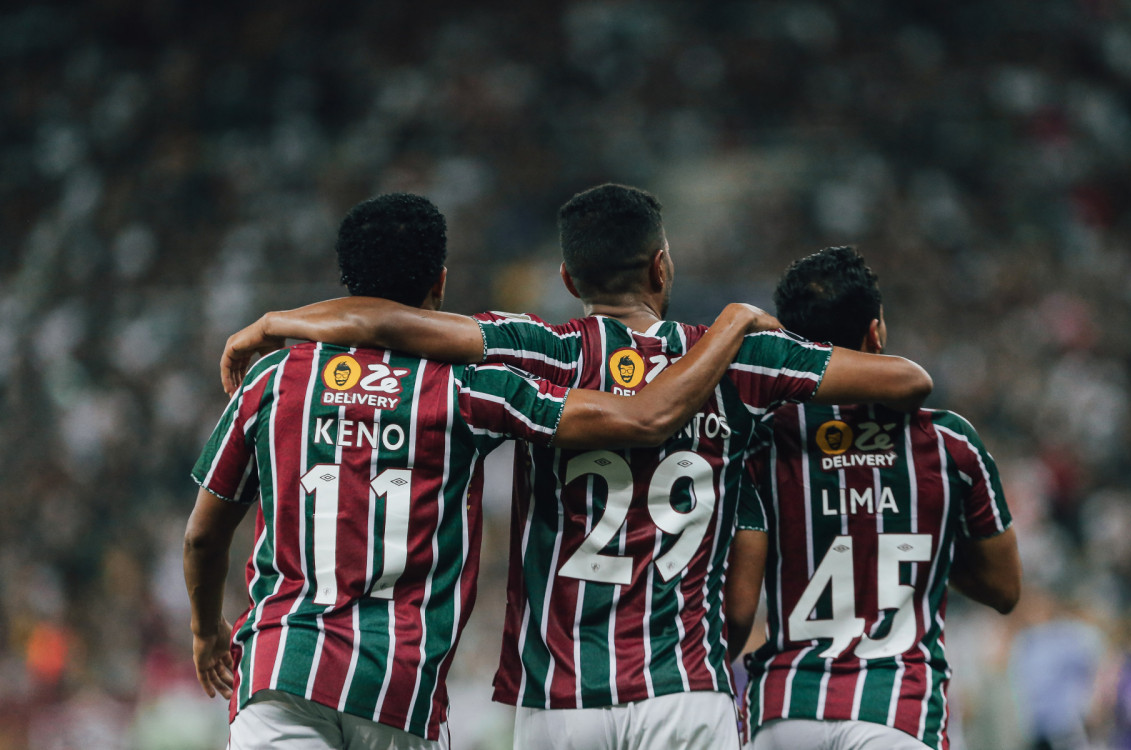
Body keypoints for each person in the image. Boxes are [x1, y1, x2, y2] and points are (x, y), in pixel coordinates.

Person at [217, 184, 934, 750]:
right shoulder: (736, 357)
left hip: (557, 698)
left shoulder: (541, 348)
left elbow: (392, 324)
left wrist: (281, 320)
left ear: (565, 276)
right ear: (662, 266)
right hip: (683, 687)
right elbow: (906, 380)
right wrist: (744, 328)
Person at [726, 246, 1021, 750]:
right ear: (876, 332)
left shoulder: (759, 442)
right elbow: (1004, 588)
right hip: (896, 710)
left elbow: (738, 600)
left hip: (783, 710)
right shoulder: (951, 445)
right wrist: (915, 544)